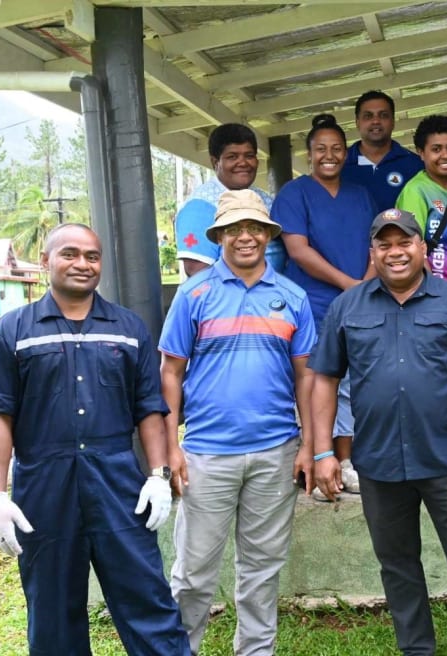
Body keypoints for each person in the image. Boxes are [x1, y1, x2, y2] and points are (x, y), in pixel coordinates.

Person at [0, 223, 188, 655]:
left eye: (92, 256)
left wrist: (158, 474)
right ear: (45, 262)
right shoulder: (12, 333)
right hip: (44, 493)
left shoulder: (128, 328)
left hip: (119, 488)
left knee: (148, 602)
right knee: (53, 616)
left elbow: (149, 408)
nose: (82, 264)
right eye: (69, 254)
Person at [310, 208, 447, 656]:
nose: (395, 252)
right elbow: (324, 378)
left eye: (405, 243)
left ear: (422, 248)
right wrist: (323, 451)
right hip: (379, 461)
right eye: (385, 244)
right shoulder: (348, 306)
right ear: (373, 252)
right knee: (397, 564)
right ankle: (417, 649)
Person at [160, 189, 317, 655]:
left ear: (268, 236)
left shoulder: (291, 297)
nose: (245, 237)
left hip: (276, 453)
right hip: (206, 455)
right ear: (221, 236)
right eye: (234, 229)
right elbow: (170, 372)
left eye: (254, 228)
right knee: (192, 574)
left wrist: (310, 444)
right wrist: (171, 448)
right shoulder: (194, 294)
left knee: (262, 570)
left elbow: (306, 377)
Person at [271, 113, 377, 493]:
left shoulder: (360, 194)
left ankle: (345, 463)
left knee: (350, 381)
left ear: (346, 154)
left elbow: (375, 244)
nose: (329, 156)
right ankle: (318, 458)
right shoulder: (294, 194)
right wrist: (350, 283)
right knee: (316, 380)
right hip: (312, 303)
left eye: (336, 149)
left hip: (357, 302)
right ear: (309, 154)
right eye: (320, 150)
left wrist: (364, 283)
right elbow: (298, 250)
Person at [175, 123, 286, 277]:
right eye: (232, 156)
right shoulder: (200, 207)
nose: (243, 163)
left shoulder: (265, 200)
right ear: (216, 162)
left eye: (249, 155)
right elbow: (197, 271)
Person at [397, 115, 447, 294]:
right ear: (421, 152)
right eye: (436, 149)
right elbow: (411, 248)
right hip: (433, 295)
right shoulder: (415, 190)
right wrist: (436, 297)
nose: (445, 155)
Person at [341, 89, 424, 210]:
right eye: (368, 116)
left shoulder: (416, 166)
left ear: (393, 122)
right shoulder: (339, 165)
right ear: (357, 122)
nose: (376, 121)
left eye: (383, 115)